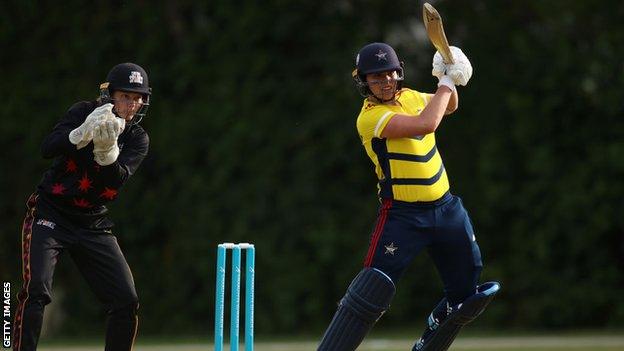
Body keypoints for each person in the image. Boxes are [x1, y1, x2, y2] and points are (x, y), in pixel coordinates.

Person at [317, 43, 500, 351]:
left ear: (398, 72)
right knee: (372, 288)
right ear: (362, 81)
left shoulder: (413, 97)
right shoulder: (370, 117)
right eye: (376, 78)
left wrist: (448, 73)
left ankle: (427, 345)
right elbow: (426, 124)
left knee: (467, 296)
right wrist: (445, 83)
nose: (385, 82)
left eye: (389, 74)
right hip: (402, 216)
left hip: (446, 210)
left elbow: (449, 106)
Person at [13, 63, 152, 351]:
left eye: (138, 97)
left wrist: (107, 152)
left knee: (126, 300)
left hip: (92, 223)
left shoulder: (137, 138)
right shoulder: (82, 111)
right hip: (50, 213)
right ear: (110, 95)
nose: (133, 104)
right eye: (126, 96)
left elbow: (117, 181)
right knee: (35, 291)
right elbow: (47, 147)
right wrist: (78, 135)